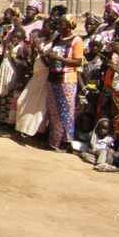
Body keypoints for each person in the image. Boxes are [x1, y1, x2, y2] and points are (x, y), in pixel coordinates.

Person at [44, 14, 84, 152]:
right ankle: (54, 141)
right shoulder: (57, 39)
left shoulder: (76, 40)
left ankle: (66, 142)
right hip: (53, 78)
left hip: (67, 80)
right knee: (54, 112)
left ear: (70, 26)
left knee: (66, 112)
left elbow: (78, 62)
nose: (59, 27)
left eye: (62, 24)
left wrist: (58, 58)